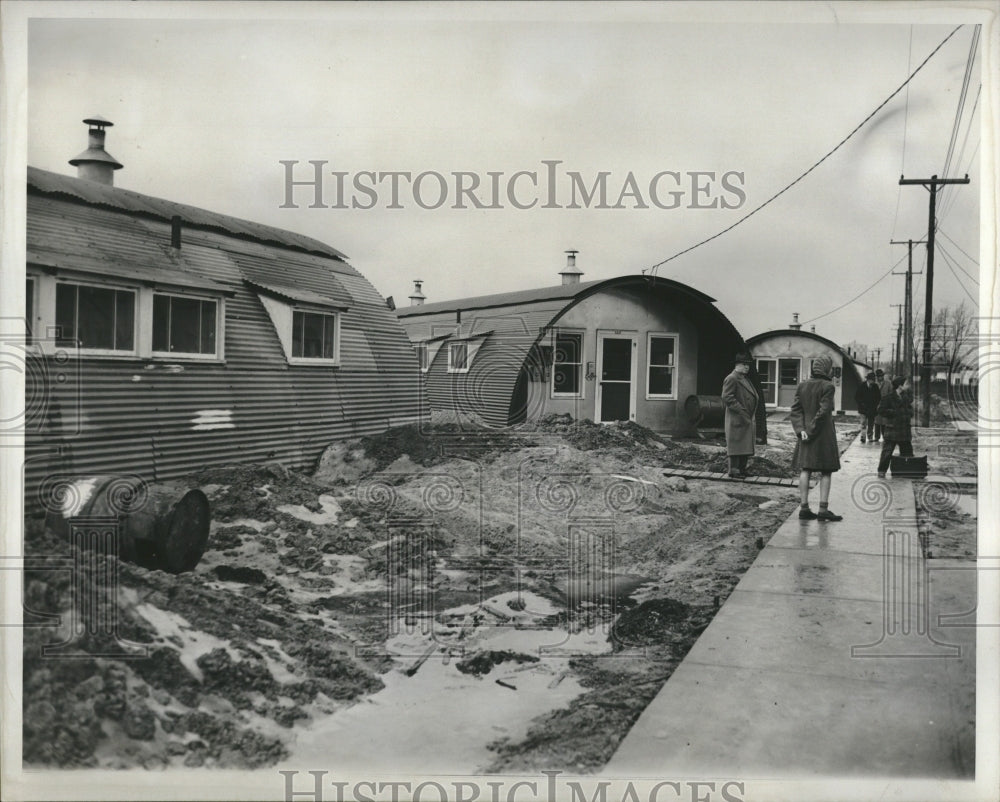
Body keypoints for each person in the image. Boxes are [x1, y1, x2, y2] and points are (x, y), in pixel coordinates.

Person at [790, 354, 842, 520]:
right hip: (822, 435)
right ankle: (823, 509)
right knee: (826, 471)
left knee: (806, 469)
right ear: (826, 369)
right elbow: (824, 412)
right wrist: (812, 431)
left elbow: (796, 410)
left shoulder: (802, 385)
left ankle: (804, 508)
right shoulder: (828, 386)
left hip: (805, 434)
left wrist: (801, 430)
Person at [721, 353, 759, 479]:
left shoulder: (744, 378)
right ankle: (733, 470)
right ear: (737, 365)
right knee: (736, 444)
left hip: (746, 418)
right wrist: (742, 411)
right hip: (737, 417)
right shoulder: (732, 378)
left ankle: (742, 469)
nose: (747, 367)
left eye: (748, 365)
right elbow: (727, 397)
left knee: (745, 444)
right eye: (744, 364)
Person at [876, 376, 914, 478]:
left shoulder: (906, 397)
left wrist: (909, 413)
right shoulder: (888, 398)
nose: (908, 385)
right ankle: (882, 470)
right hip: (892, 429)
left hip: (904, 429)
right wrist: (893, 413)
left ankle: (907, 471)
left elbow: (910, 409)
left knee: (907, 452)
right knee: (887, 452)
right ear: (900, 386)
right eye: (906, 384)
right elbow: (880, 410)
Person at [854, 372, 881, 443]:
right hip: (863, 409)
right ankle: (863, 437)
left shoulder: (875, 386)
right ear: (868, 380)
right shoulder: (862, 386)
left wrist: (875, 405)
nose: (873, 381)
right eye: (872, 379)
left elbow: (878, 397)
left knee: (871, 424)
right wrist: (861, 404)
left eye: (874, 379)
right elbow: (857, 397)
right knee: (863, 423)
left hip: (872, 409)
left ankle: (870, 437)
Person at [872, 369, 893, 442]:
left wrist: (889, 402)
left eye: (880, 376)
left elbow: (891, 393)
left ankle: (885, 436)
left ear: (883, 376)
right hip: (876, 404)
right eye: (878, 376)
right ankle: (876, 437)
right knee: (877, 421)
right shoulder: (874, 384)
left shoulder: (888, 383)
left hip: (885, 404)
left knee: (884, 421)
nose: (879, 377)